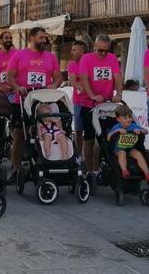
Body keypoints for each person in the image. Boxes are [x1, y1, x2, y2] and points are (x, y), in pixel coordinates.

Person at [5, 27, 62, 183]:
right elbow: (10, 76)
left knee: (45, 133)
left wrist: (54, 85)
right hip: (23, 101)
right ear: (31, 38)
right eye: (41, 37)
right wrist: (17, 87)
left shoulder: (51, 57)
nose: (44, 40)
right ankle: (16, 168)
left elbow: (58, 77)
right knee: (19, 135)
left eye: (45, 38)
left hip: (43, 102)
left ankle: (44, 162)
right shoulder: (19, 55)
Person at [79, 34, 123, 175]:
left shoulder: (112, 59)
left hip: (106, 105)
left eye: (106, 50)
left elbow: (117, 77)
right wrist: (92, 95)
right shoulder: (86, 59)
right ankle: (88, 167)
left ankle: (98, 168)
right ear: (94, 47)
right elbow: (84, 78)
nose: (103, 54)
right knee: (89, 138)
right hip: (89, 104)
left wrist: (119, 94)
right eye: (100, 50)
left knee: (105, 137)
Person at [107, 105, 149, 182]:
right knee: (122, 153)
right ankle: (124, 171)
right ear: (118, 119)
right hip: (119, 149)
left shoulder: (133, 126)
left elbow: (146, 131)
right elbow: (108, 137)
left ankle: (147, 173)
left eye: (130, 117)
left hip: (131, 148)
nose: (128, 120)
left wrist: (140, 131)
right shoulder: (117, 127)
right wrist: (117, 131)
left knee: (138, 154)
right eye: (125, 118)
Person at [66, 40, 89, 149]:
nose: (72, 52)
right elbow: (72, 79)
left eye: (74, 50)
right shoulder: (72, 64)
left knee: (91, 130)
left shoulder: (90, 62)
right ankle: (79, 155)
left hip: (92, 102)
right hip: (79, 101)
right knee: (79, 130)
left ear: (82, 51)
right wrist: (79, 86)